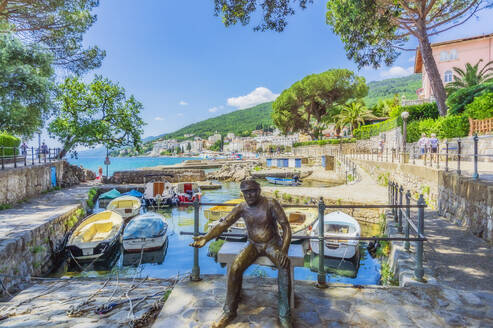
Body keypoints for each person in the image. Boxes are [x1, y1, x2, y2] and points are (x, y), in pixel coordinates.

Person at [191, 179, 292, 328]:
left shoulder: (271, 203)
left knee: (284, 266)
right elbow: (224, 223)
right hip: (253, 244)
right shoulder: (242, 207)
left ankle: (284, 315)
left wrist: (283, 251)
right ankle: (229, 312)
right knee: (235, 267)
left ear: (259, 191)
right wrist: (206, 237)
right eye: (246, 193)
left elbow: (286, 228)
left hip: (271, 244)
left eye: (252, 191)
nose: (249, 195)